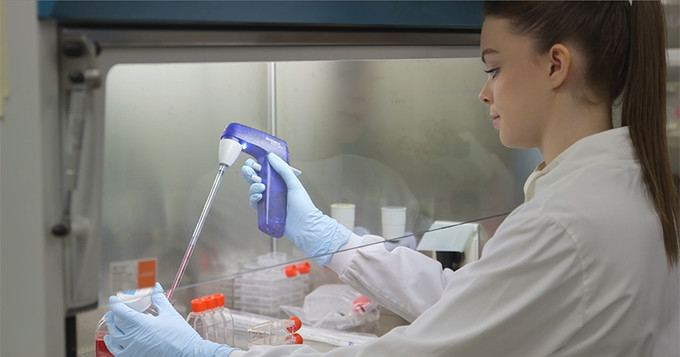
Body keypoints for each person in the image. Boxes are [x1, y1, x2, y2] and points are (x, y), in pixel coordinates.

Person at [103, 1, 679, 356]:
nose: (484, 92)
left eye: (494, 67)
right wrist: (331, 239)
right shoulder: (626, 186)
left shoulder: (568, 223)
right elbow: (471, 303)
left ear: (556, 65)